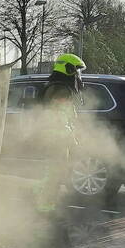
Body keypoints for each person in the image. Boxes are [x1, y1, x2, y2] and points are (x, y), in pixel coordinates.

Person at [34, 53, 84, 214]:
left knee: (54, 172)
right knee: (53, 172)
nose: (78, 75)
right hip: (56, 139)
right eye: (76, 71)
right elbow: (59, 117)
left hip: (57, 138)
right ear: (68, 69)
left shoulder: (58, 87)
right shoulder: (59, 90)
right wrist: (72, 138)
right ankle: (44, 208)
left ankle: (45, 203)